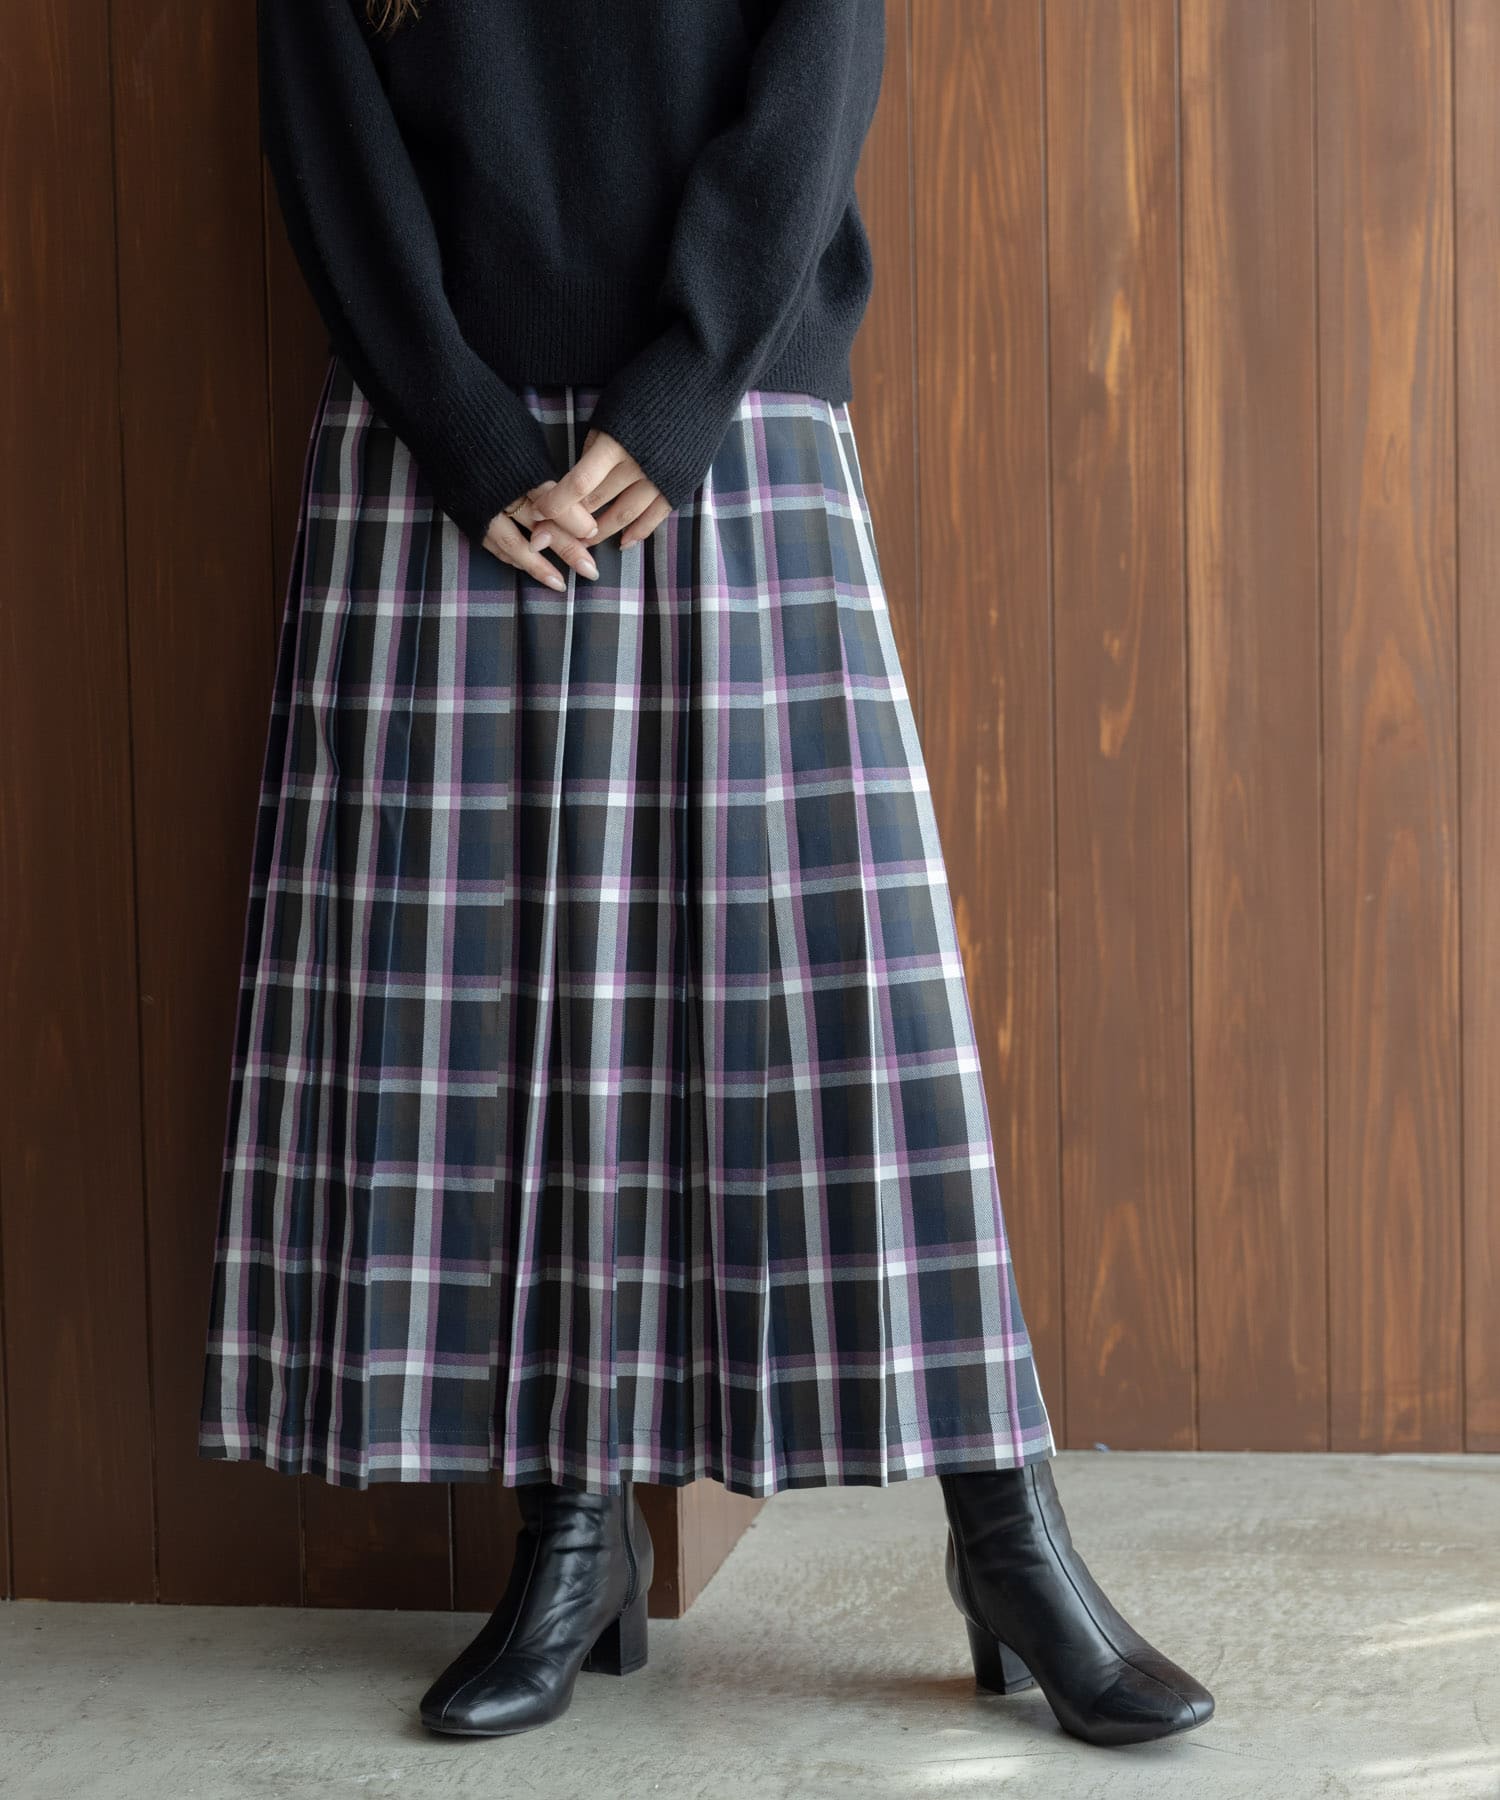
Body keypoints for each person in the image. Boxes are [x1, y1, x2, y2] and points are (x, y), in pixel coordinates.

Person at [196, 0, 1215, 1751]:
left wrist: (682, 389)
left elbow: (821, 63)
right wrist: (458, 424)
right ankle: (570, 1532)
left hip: (732, 416)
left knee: (846, 1008)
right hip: (443, 455)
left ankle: (1007, 1534)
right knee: (502, 1022)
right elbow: (327, 125)